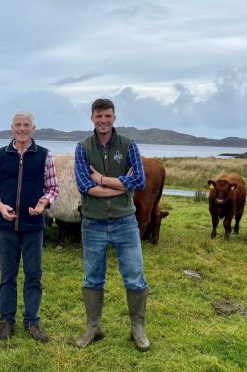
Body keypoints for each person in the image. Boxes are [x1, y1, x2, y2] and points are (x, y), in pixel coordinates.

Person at [73, 98, 150, 351]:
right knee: (92, 277)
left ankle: (137, 328)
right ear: (92, 118)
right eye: (99, 116)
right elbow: (85, 186)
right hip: (93, 222)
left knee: (134, 277)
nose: (103, 120)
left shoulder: (128, 145)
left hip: (125, 221)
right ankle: (93, 327)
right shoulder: (82, 148)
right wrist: (119, 185)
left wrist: (103, 179)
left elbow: (138, 181)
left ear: (114, 117)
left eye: (107, 116)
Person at [0, 111, 59, 342]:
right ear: (12, 128)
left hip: (34, 225)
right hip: (6, 226)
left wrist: (44, 203)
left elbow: (52, 188)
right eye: (18, 125)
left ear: (33, 128)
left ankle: (32, 321)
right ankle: (6, 320)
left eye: (27, 125)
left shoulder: (44, 156)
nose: (22, 129)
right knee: (7, 275)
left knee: (34, 275)